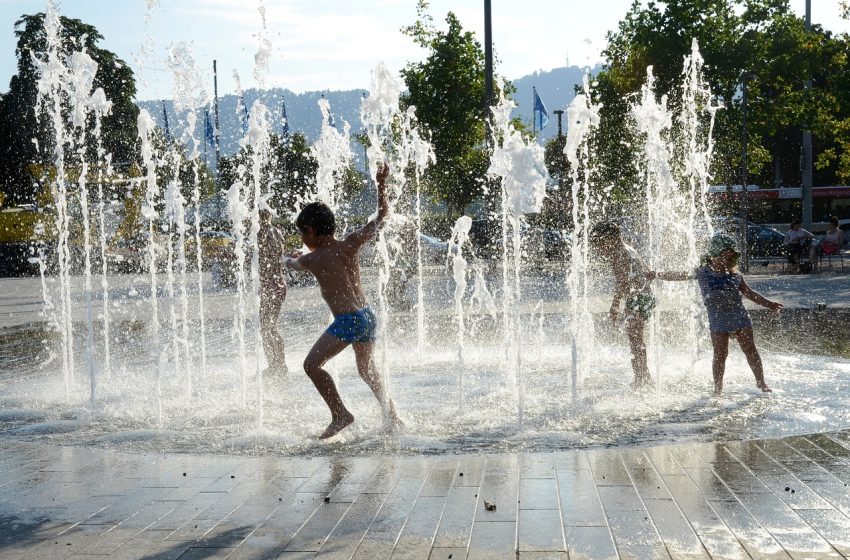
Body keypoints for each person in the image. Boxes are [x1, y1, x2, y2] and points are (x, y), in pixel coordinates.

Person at [284, 162, 402, 439]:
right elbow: (383, 216)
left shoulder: (311, 258)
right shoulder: (351, 243)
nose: (302, 238)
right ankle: (393, 417)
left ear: (311, 231)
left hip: (348, 321)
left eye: (303, 233)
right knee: (367, 370)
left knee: (311, 365)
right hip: (367, 316)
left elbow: (295, 264)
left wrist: (285, 258)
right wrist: (381, 184)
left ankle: (340, 414)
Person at [649, 233, 782, 395]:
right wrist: (657, 274)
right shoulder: (702, 272)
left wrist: (770, 304)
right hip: (718, 320)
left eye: (730, 255)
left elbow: (749, 293)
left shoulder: (735, 274)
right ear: (714, 254)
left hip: (739, 316)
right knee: (720, 355)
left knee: (750, 350)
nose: (726, 259)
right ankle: (718, 389)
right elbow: (679, 275)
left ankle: (761, 383)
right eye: (723, 255)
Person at [589, 221, 655, 388]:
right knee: (637, 339)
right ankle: (643, 375)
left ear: (609, 239)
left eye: (599, 243)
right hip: (643, 296)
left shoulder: (619, 254)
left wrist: (614, 305)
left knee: (635, 340)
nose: (598, 249)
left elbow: (622, 282)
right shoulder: (628, 249)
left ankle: (641, 378)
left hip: (638, 299)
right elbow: (645, 271)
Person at [258, 207, 288, 376]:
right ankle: (280, 362)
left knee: (265, 327)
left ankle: (274, 365)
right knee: (271, 326)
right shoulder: (278, 232)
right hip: (279, 282)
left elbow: (259, 258)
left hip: (269, 285)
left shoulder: (261, 234)